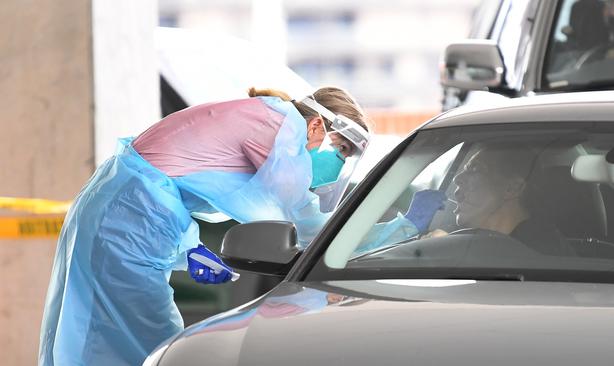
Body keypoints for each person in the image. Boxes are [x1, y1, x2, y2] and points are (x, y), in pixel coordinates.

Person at [38, 86, 371, 366]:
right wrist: (397, 233)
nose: (338, 163)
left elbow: (164, 174)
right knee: (153, 346)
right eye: (340, 149)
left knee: (96, 329)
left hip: (118, 208)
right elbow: (309, 222)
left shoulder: (267, 115)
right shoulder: (282, 129)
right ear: (316, 127)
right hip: (128, 218)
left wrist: (189, 246)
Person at [445, 142, 575, 256]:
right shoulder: (499, 248)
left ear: (512, 188)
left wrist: (447, 249)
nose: (457, 178)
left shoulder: (540, 253)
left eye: (475, 169)